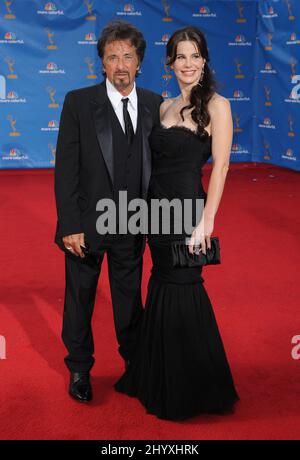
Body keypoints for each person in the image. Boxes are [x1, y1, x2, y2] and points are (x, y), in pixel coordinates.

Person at [114, 26, 239, 420]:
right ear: (170, 62)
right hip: (156, 212)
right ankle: (160, 375)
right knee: (163, 283)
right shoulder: (163, 106)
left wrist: (207, 221)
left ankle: (195, 385)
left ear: (204, 61)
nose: (188, 64)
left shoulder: (217, 105)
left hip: (187, 210)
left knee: (185, 285)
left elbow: (220, 167)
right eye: (180, 56)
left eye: (195, 56)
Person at [54, 21, 163, 403]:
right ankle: (80, 369)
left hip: (133, 223)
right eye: (112, 56)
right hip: (86, 224)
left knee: (129, 299)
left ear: (139, 62)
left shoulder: (154, 103)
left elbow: (162, 166)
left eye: (127, 56)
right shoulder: (78, 102)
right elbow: (66, 169)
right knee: (80, 297)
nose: (120, 64)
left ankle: (135, 366)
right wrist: (69, 224)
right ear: (101, 62)